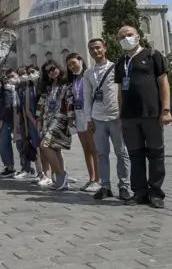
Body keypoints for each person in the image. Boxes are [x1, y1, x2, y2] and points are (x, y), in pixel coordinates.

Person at [115, 26, 172, 208]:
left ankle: (156, 193)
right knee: (135, 154)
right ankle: (139, 192)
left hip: (151, 113)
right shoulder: (120, 62)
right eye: (122, 37)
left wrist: (165, 109)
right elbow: (120, 92)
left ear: (138, 37)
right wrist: (121, 115)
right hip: (130, 116)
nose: (126, 38)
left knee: (156, 153)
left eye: (129, 35)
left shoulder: (152, 55)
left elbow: (163, 82)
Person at [83, 38, 131, 201]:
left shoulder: (115, 68)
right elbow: (87, 96)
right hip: (97, 118)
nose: (95, 51)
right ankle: (105, 186)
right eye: (91, 49)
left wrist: (124, 114)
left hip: (115, 116)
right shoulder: (88, 73)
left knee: (121, 152)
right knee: (102, 153)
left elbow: (122, 91)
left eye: (98, 48)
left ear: (105, 48)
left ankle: (124, 185)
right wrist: (88, 119)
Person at [35, 60, 75, 191]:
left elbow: (69, 102)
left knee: (45, 145)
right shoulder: (48, 87)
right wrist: (39, 120)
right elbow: (41, 105)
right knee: (55, 148)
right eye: (47, 71)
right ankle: (62, 179)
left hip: (60, 119)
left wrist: (71, 118)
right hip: (48, 119)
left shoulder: (66, 85)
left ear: (58, 68)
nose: (51, 72)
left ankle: (60, 174)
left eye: (53, 69)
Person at [66, 53, 100, 193]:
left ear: (81, 61)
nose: (72, 66)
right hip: (78, 114)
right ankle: (91, 178)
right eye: (69, 65)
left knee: (94, 148)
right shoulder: (73, 79)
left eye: (74, 63)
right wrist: (71, 116)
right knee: (86, 148)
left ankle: (98, 179)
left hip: (89, 114)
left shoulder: (89, 74)